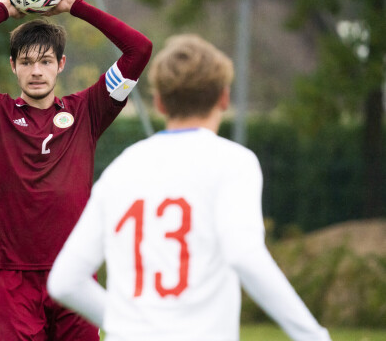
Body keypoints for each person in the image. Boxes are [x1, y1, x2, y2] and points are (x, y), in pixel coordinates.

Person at [47, 34, 332, 341]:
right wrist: (313, 335)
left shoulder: (121, 168)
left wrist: (129, 325)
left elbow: (65, 281)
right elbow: (245, 254)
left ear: (159, 102)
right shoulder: (234, 162)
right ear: (224, 97)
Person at [0, 0, 152, 340]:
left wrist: (76, 6)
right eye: (26, 62)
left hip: (75, 278)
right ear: (13, 66)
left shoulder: (89, 110)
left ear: (61, 64)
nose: (36, 71)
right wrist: (2, 9)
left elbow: (139, 50)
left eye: (46, 61)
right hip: (14, 280)